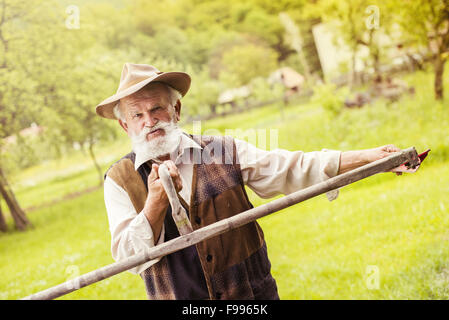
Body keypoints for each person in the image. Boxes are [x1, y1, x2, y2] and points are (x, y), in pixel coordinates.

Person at [96, 63, 419, 300]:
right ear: (126, 127)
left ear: (176, 109)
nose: (149, 122)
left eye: (157, 109)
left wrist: (369, 159)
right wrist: (154, 204)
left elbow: (293, 168)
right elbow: (127, 259)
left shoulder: (224, 151)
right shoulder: (119, 180)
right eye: (137, 116)